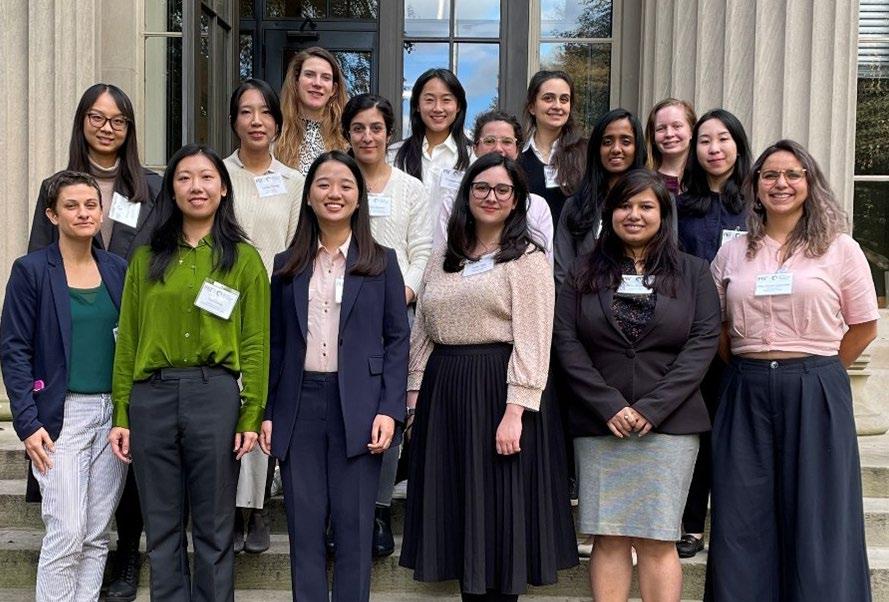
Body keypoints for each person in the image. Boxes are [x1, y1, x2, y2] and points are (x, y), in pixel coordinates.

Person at [706, 140, 879, 602]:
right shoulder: (732, 253)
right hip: (745, 388)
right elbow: (717, 326)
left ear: (809, 183)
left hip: (816, 386)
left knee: (820, 515)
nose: (780, 183)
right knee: (742, 513)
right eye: (770, 175)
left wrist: (820, 371)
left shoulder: (840, 249)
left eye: (792, 174)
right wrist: (753, 369)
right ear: (755, 187)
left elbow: (865, 325)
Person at [400, 152, 578, 601]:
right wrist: (415, 397)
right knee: (459, 517)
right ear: (467, 195)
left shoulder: (527, 259)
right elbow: (423, 329)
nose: (491, 197)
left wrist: (515, 411)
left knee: (500, 521)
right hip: (445, 394)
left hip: (501, 394)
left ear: (517, 199)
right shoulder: (444, 255)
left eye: (502, 189)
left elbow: (534, 338)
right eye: (481, 187)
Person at [108, 144, 270, 601]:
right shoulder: (146, 259)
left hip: (213, 394)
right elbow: (128, 339)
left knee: (215, 529)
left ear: (223, 189)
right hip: (152, 396)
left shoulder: (244, 260)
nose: (195, 186)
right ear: (172, 190)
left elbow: (256, 343)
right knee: (161, 529)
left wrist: (251, 412)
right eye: (183, 178)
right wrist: (122, 412)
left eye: (206, 177)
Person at [554, 168, 720, 602]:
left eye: (646, 206)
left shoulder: (694, 272)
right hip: (600, 424)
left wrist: (653, 407)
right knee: (608, 537)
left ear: (663, 214)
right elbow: (566, 341)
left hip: (670, 426)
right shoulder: (582, 272)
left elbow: (703, 343)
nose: (634, 214)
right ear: (609, 213)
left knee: (657, 538)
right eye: (624, 205)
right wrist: (607, 404)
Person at [26, 82, 161, 602]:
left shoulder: (148, 188)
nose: (107, 128)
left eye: (118, 120)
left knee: (100, 519)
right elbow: (35, 283)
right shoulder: (53, 189)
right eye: (97, 117)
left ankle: (127, 555)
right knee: (68, 527)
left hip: (122, 357)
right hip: (66, 382)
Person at [259, 150, 410, 601]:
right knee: (304, 531)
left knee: (354, 531)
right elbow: (276, 344)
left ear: (359, 198)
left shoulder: (381, 262)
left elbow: (397, 340)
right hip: (300, 404)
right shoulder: (287, 264)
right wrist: (268, 411)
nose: (334, 193)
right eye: (323, 184)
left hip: (359, 408)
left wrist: (389, 410)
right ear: (308, 196)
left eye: (346, 185)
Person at [1, 171, 129, 602]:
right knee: (67, 531)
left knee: (95, 534)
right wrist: (27, 421)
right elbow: (14, 349)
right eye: (71, 206)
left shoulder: (117, 270)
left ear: (102, 212)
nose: (83, 213)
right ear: (53, 215)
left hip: (112, 418)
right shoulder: (32, 270)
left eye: (90, 205)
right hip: (60, 418)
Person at [342, 93, 432, 556]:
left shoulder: (411, 189)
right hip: (338, 315)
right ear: (347, 134)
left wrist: (401, 296)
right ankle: (341, 508)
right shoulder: (336, 181)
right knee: (342, 404)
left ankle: (378, 510)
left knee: (386, 404)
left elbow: (423, 251)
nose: (367, 136)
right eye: (358, 128)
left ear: (389, 134)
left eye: (376, 128)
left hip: (396, 312)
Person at [224, 78, 305, 555]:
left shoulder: (294, 182)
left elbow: (295, 247)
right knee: (225, 403)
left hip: (273, 307)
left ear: (278, 121)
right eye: (246, 112)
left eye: (266, 112)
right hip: (218, 304)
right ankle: (225, 504)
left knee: (258, 401)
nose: (256, 121)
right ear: (234, 120)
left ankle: (252, 509)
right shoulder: (217, 173)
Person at [673, 108, 752, 558]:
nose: (714, 149)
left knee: (738, 437)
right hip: (693, 337)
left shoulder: (757, 205)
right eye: (704, 141)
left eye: (723, 139)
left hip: (744, 338)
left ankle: (736, 526)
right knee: (698, 432)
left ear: (738, 145)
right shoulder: (681, 207)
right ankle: (690, 524)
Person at [438, 110, 554, 261]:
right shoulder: (451, 204)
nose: (498, 148)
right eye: (489, 141)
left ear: (517, 150)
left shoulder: (537, 207)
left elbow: (544, 265)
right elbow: (440, 262)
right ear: (475, 148)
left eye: (507, 141)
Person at [554, 109, 647, 286]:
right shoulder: (575, 205)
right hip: (582, 300)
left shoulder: (659, 202)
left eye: (626, 141)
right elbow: (562, 272)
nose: (616, 149)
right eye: (607, 142)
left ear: (637, 147)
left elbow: (665, 264)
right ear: (597, 149)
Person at [389, 68, 472, 245]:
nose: (438, 108)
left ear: (458, 106)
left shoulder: (472, 158)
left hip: (452, 255)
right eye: (429, 100)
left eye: (446, 100)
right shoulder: (393, 156)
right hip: (402, 254)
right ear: (417, 106)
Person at [518, 70, 586, 231]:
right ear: (532, 107)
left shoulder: (587, 153)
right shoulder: (516, 155)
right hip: (527, 245)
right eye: (548, 98)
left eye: (564, 99)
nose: (557, 106)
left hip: (574, 245)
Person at [277, 47, 349, 175]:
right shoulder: (275, 135)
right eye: (309, 75)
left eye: (325, 78)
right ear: (296, 82)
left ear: (333, 89)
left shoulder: (346, 138)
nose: (317, 83)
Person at [644, 98, 696, 195]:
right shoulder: (643, 182)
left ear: (692, 131)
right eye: (661, 128)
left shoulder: (707, 179)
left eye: (677, 126)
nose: (669, 134)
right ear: (652, 136)